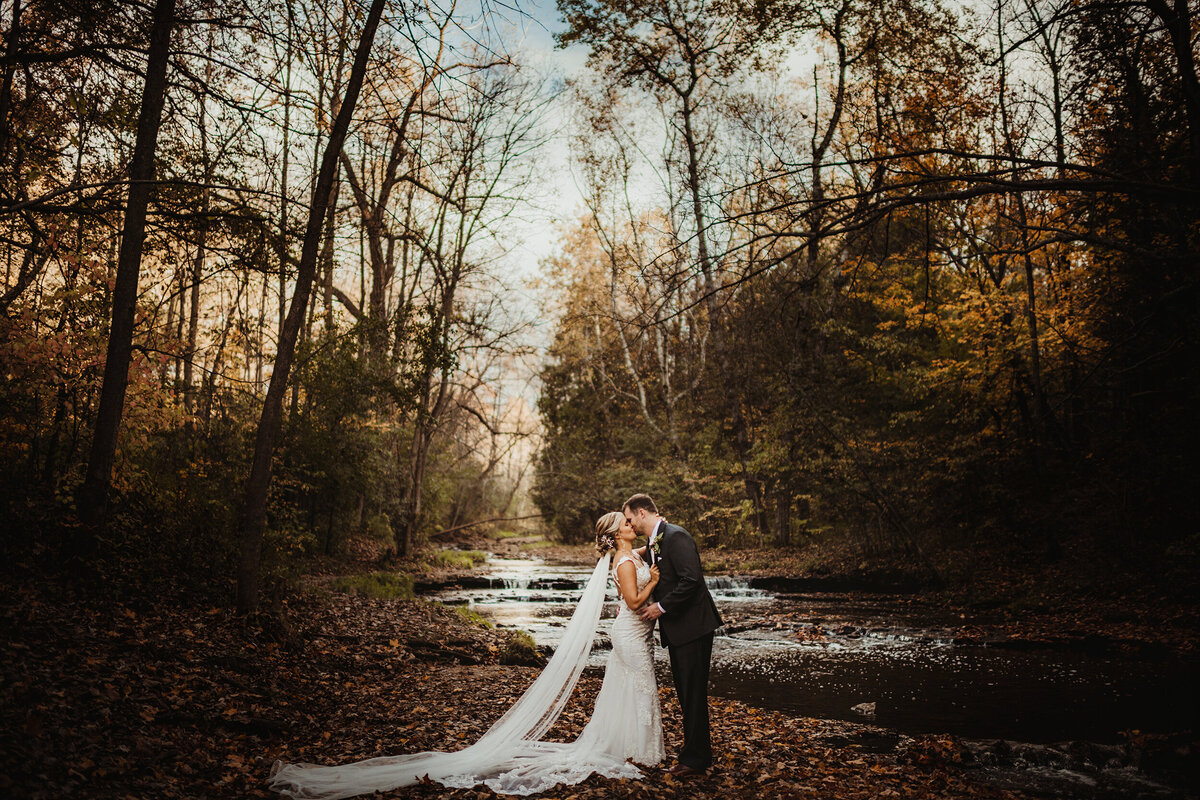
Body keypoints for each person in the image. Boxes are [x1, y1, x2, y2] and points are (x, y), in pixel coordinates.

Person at [268, 512, 663, 799]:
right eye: (626, 523)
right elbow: (631, 600)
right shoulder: (624, 560)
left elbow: (638, 554)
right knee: (637, 685)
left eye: (631, 521)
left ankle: (630, 745)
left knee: (627, 688)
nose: (632, 522)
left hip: (631, 634)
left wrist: (657, 545)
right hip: (630, 631)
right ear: (615, 534)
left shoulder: (628, 553)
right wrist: (656, 583)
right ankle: (634, 748)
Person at [623, 492, 722, 777]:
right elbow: (656, 566)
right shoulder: (656, 540)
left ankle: (696, 760)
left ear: (643, 513)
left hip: (693, 627)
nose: (630, 523)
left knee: (692, 694)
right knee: (687, 692)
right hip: (683, 629)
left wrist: (660, 608)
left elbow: (692, 580)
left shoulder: (676, 536)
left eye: (630, 518)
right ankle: (694, 754)